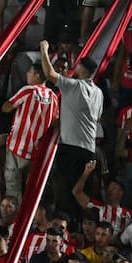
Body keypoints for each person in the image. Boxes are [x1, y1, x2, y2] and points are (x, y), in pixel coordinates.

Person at [40, 41, 103, 220]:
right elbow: (96, 117)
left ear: (81, 70)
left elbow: (49, 73)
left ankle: (65, 230)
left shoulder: (73, 86)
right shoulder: (98, 92)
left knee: (65, 195)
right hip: (88, 150)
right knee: (80, 195)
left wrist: (44, 50)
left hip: (70, 148)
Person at [2, 63, 59, 201]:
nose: (27, 74)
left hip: (17, 148)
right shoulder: (53, 97)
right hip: (35, 152)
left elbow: (6, 108)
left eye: (29, 71)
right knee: (31, 192)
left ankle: (15, 220)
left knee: (13, 191)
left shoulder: (29, 90)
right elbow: (55, 122)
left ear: (37, 75)